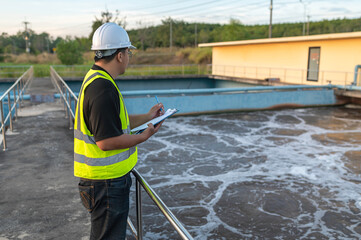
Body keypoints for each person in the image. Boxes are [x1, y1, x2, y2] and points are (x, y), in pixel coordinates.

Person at [74, 22, 163, 240]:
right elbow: (105, 141)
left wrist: (147, 117)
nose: (129, 57)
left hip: (103, 183)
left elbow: (113, 124)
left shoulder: (98, 80)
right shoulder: (102, 88)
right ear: (120, 55)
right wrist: (144, 136)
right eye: (128, 52)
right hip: (106, 184)